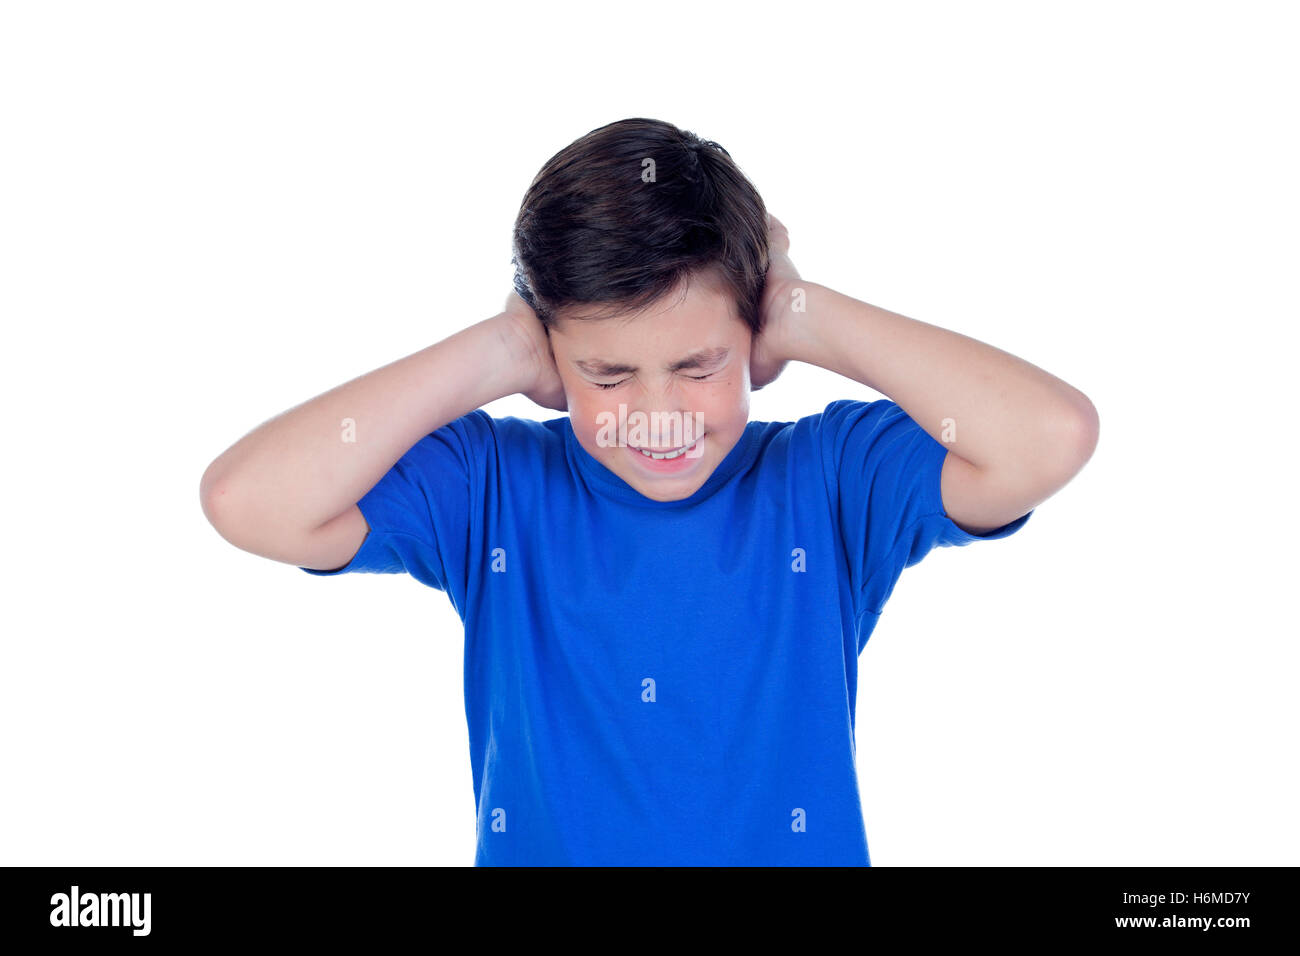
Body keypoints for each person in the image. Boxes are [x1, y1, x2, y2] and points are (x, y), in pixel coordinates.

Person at [199, 117, 1098, 865]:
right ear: (552, 357)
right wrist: (500, 351)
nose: (658, 413)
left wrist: (800, 310)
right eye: (608, 372)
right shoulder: (491, 490)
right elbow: (250, 499)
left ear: (751, 338)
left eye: (698, 364)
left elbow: (1046, 437)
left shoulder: (830, 481)